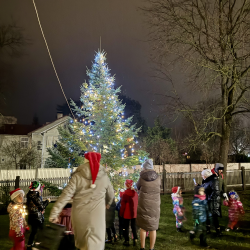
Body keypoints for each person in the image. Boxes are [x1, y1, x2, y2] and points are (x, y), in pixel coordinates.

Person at [49, 152, 114, 250]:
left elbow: (65, 195)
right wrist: (108, 203)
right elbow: (111, 194)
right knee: (96, 244)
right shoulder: (104, 177)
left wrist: (54, 214)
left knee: (83, 245)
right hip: (97, 216)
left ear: (85, 160)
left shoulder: (77, 176)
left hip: (80, 215)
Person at [136, 159, 161, 250]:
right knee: (153, 228)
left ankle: (142, 247)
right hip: (154, 205)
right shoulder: (158, 178)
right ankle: (151, 248)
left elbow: (137, 186)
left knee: (143, 227)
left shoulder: (142, 178)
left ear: (144, 167)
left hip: (144, 204)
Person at [26, 181, 50, 250]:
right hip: (37, 217)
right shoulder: (34, 195)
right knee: (41, 230)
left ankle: (29, 244)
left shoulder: (29, 194)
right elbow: (41, 207)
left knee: (34, 230)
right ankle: (38, 244)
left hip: (32, 215)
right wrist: (47, 201)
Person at [200, 169, 222, 236]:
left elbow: (216, 191)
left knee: (213, 216)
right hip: (207, 201)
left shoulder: (213, 181)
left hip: (212, 202)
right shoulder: (206, 181)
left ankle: (218, 231)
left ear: (206, 175)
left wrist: (209, 199)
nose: (202, 176)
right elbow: (205, 188)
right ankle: (208, 229)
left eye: (202, 175)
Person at [119, 179, 138, 247]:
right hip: (134, 213)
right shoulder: (135, 193)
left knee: (126, 227)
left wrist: (121, 213)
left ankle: (127, 240)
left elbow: (123, 205)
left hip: (127, 213)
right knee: (133, 226)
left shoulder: (125, 194)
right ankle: (135, 238)